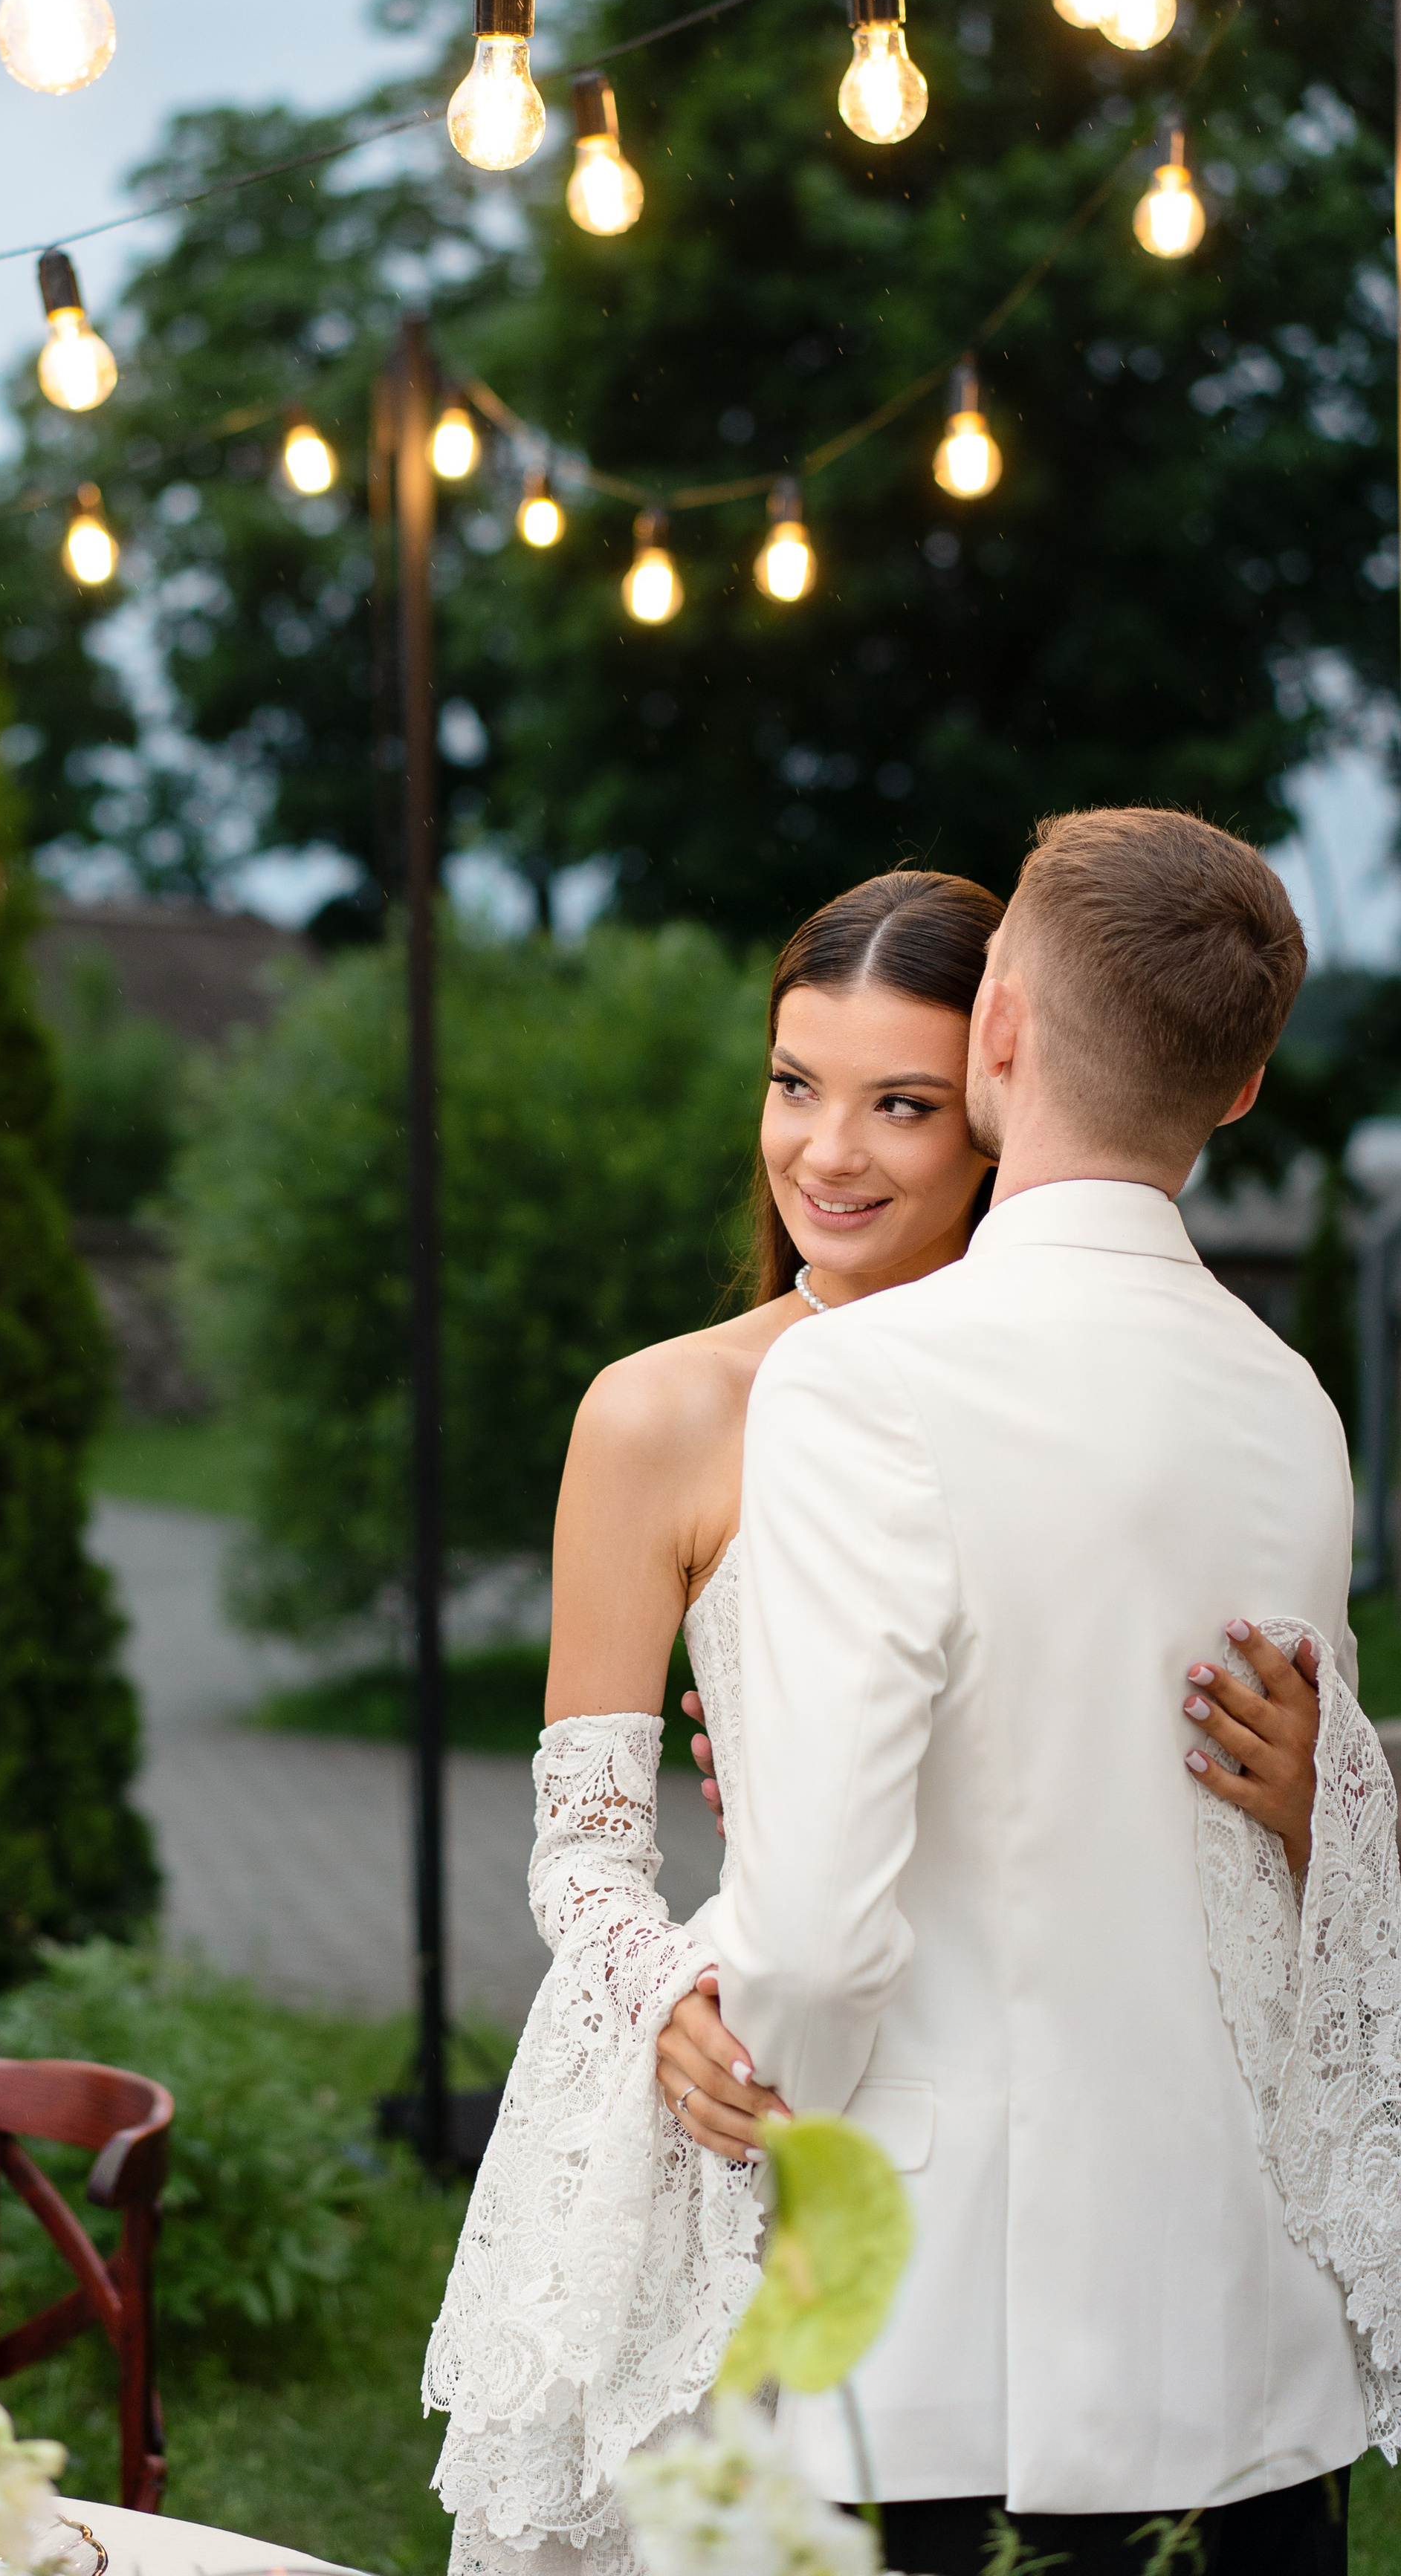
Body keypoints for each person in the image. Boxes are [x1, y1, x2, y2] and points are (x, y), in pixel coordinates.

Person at [422, 862, 1321, 2576]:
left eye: (896, 1103)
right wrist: (663, 1992)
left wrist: (1317, 1792)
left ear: (992, 1084)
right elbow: (583, 1837)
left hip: (1048, 2165)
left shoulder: (1147, 1386)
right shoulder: (659, 1415)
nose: (826, 1153)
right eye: (792, 1085)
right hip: (743, 2096)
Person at [702, 808, 1377, 2576]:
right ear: (1238, 1090)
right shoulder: (1293, 1406)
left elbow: (813, 1940)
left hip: (940, 2346)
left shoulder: (856, 1381)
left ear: (991, 1026)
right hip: (1240, 2334)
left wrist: (745, 2100)